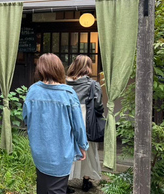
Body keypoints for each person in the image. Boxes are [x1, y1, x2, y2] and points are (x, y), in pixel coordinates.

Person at [23, 53, 89, 194]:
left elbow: (26, 119)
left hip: (39, 151)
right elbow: (78, 125)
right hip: (61, 152)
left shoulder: (33, 91)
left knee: (42, 186)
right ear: (59, 68)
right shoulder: (68, 94)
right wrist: (83, 146)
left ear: (40, 69)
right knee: (57, 189)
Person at [66, 55, 104, 192]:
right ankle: (86, 181)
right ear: (88, 66)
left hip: (67, 119)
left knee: (66, 150)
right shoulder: (93, 85)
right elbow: (99, 106)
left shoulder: (64, 83)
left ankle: (63, 181)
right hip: (86, 122)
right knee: (88, 150)